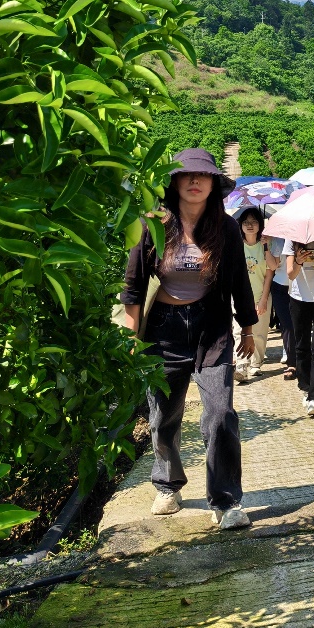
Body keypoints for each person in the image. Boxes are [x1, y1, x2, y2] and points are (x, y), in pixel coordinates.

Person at [120, 148, 257, 529]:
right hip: (163, 329)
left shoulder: (226, 228)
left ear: (214, 183)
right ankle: (167, 484)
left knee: (221, 415)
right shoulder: (153, 225)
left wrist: (247, 328)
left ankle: (226, 500)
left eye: (203, 176)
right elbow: (132, 288)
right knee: (163, 415)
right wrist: (131, 338)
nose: (195, 181)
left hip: (211, 328)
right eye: (186, 175)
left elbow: (239, 282)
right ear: (174, 182)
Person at [284, 237, 314, 417]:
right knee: (302, 344)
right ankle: (305, 387)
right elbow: (290, 274)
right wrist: (299, 260)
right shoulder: (292, 239)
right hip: (298, 298)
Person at [234, 208, 278, 382]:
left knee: (259, 332)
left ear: (260, 224)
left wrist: (263, 299)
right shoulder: (236, 244)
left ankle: (255, 364)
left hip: (261, 294)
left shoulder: (267, 244)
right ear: (241, 225)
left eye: (254, 222)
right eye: (246, 222)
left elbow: (271, 270)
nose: (250, 225)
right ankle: (241, 365)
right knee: (239, 331)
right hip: (239, 297)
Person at [268, 232, 296, 377]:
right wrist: (266, 246)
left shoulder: (300, 237)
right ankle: (292, 362)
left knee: (295, 325)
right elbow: (273, 265)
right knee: (287, 325)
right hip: (279, 285)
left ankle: (297, 360)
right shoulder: (275, 239)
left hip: (298, 285)